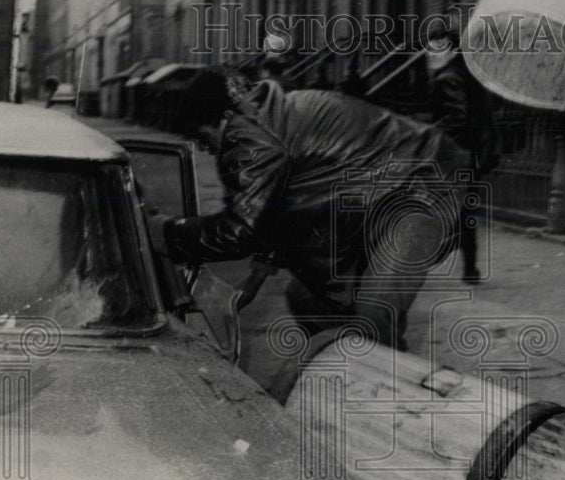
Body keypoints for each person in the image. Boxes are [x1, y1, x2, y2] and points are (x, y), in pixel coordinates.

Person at [147, 69, 474, 351]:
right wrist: (259, 273)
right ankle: (359, 372)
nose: (205, 147)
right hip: (380, 198)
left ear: (223, 119)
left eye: (204, 136)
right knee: (307, 298)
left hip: (423, 186)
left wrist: (166, 232)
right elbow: (275, 207)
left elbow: (240, 230)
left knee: (376, 309)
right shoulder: (267, 115)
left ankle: (392, 401)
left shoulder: (249, 132)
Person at [425, 21, 499, 284]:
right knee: (465, 209)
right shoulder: (471, 72)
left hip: (458, 153)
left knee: (447, 207)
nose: (432, 56)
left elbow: (456, 118)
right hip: (476, 151)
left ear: (452, 51)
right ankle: (469, 267)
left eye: (437, 51)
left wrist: (427, 132)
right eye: (430, 51)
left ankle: (448, 254)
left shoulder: (447, 78)